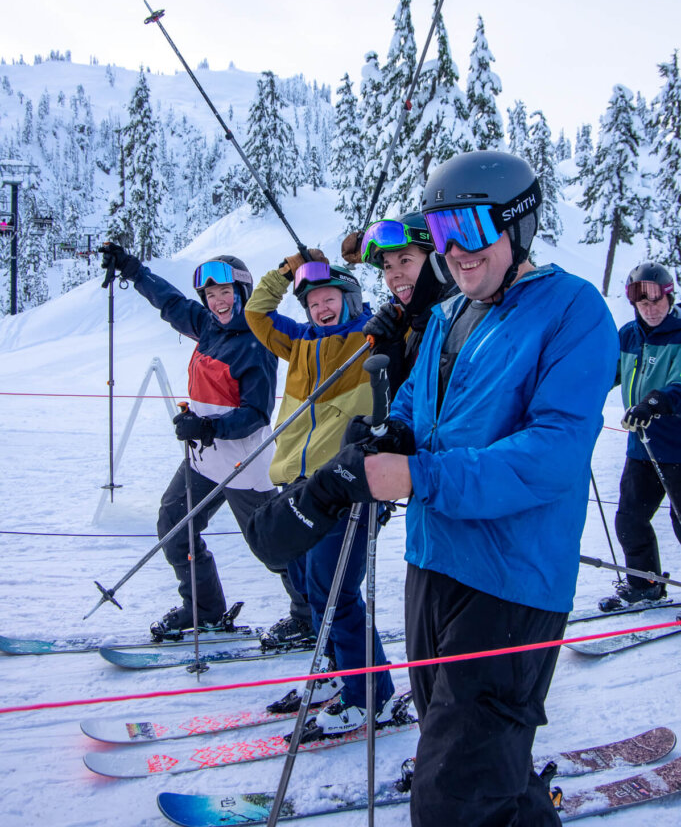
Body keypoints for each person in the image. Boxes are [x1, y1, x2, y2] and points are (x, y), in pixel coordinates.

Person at [245, 151, 619, 826]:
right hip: (433, 561)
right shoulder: (448, 316)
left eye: (471, 230)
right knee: (481, 768)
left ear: (517, 224)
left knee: (451, 799)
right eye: (441, 235)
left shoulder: (572, 310)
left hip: (512, 579)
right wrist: (384, 441)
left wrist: (417, 474)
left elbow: (552, 454)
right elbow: (421, 410)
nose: (457, 252)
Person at [99, 244, 306, 636]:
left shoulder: (255, 342)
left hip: (243, 464)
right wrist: (132, 268)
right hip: (203, 459)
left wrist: (208, 428)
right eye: (210, 295)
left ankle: (310, 615)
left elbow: (256, 415)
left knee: (272, 544)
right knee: (174, 524)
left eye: (225, 293)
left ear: (242, 293)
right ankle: (204, 608)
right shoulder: (207, 325)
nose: (218, 302)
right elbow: (168, 301)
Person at [244, 251, 395, 732]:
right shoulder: (300, 342)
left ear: (349, 299)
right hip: (297, 482)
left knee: (337, 593)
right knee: (310, 586)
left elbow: (413, 313)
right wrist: (288, 268)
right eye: (313, 302)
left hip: (347, 484)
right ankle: (336, 669)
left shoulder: (371, 335)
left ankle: (371, 694)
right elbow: (256, 312)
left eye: (330, 298)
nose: (321, 308)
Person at [600, 261, 681, 610]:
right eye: (641, 303)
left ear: (669, 296)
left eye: (655, 301)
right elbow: (604, 373)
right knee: (630, 520)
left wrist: (653, 402)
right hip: (643, 446)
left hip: (678, 447)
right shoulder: (628, 336)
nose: (649, 309)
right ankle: (645, 584)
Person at [357, 212, 456, 396]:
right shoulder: (417, 325)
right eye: (388, 266)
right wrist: (389, 348)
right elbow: (402, 402)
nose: (394, 274)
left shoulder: (458, 324)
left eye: (405, 260)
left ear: (438, 262)